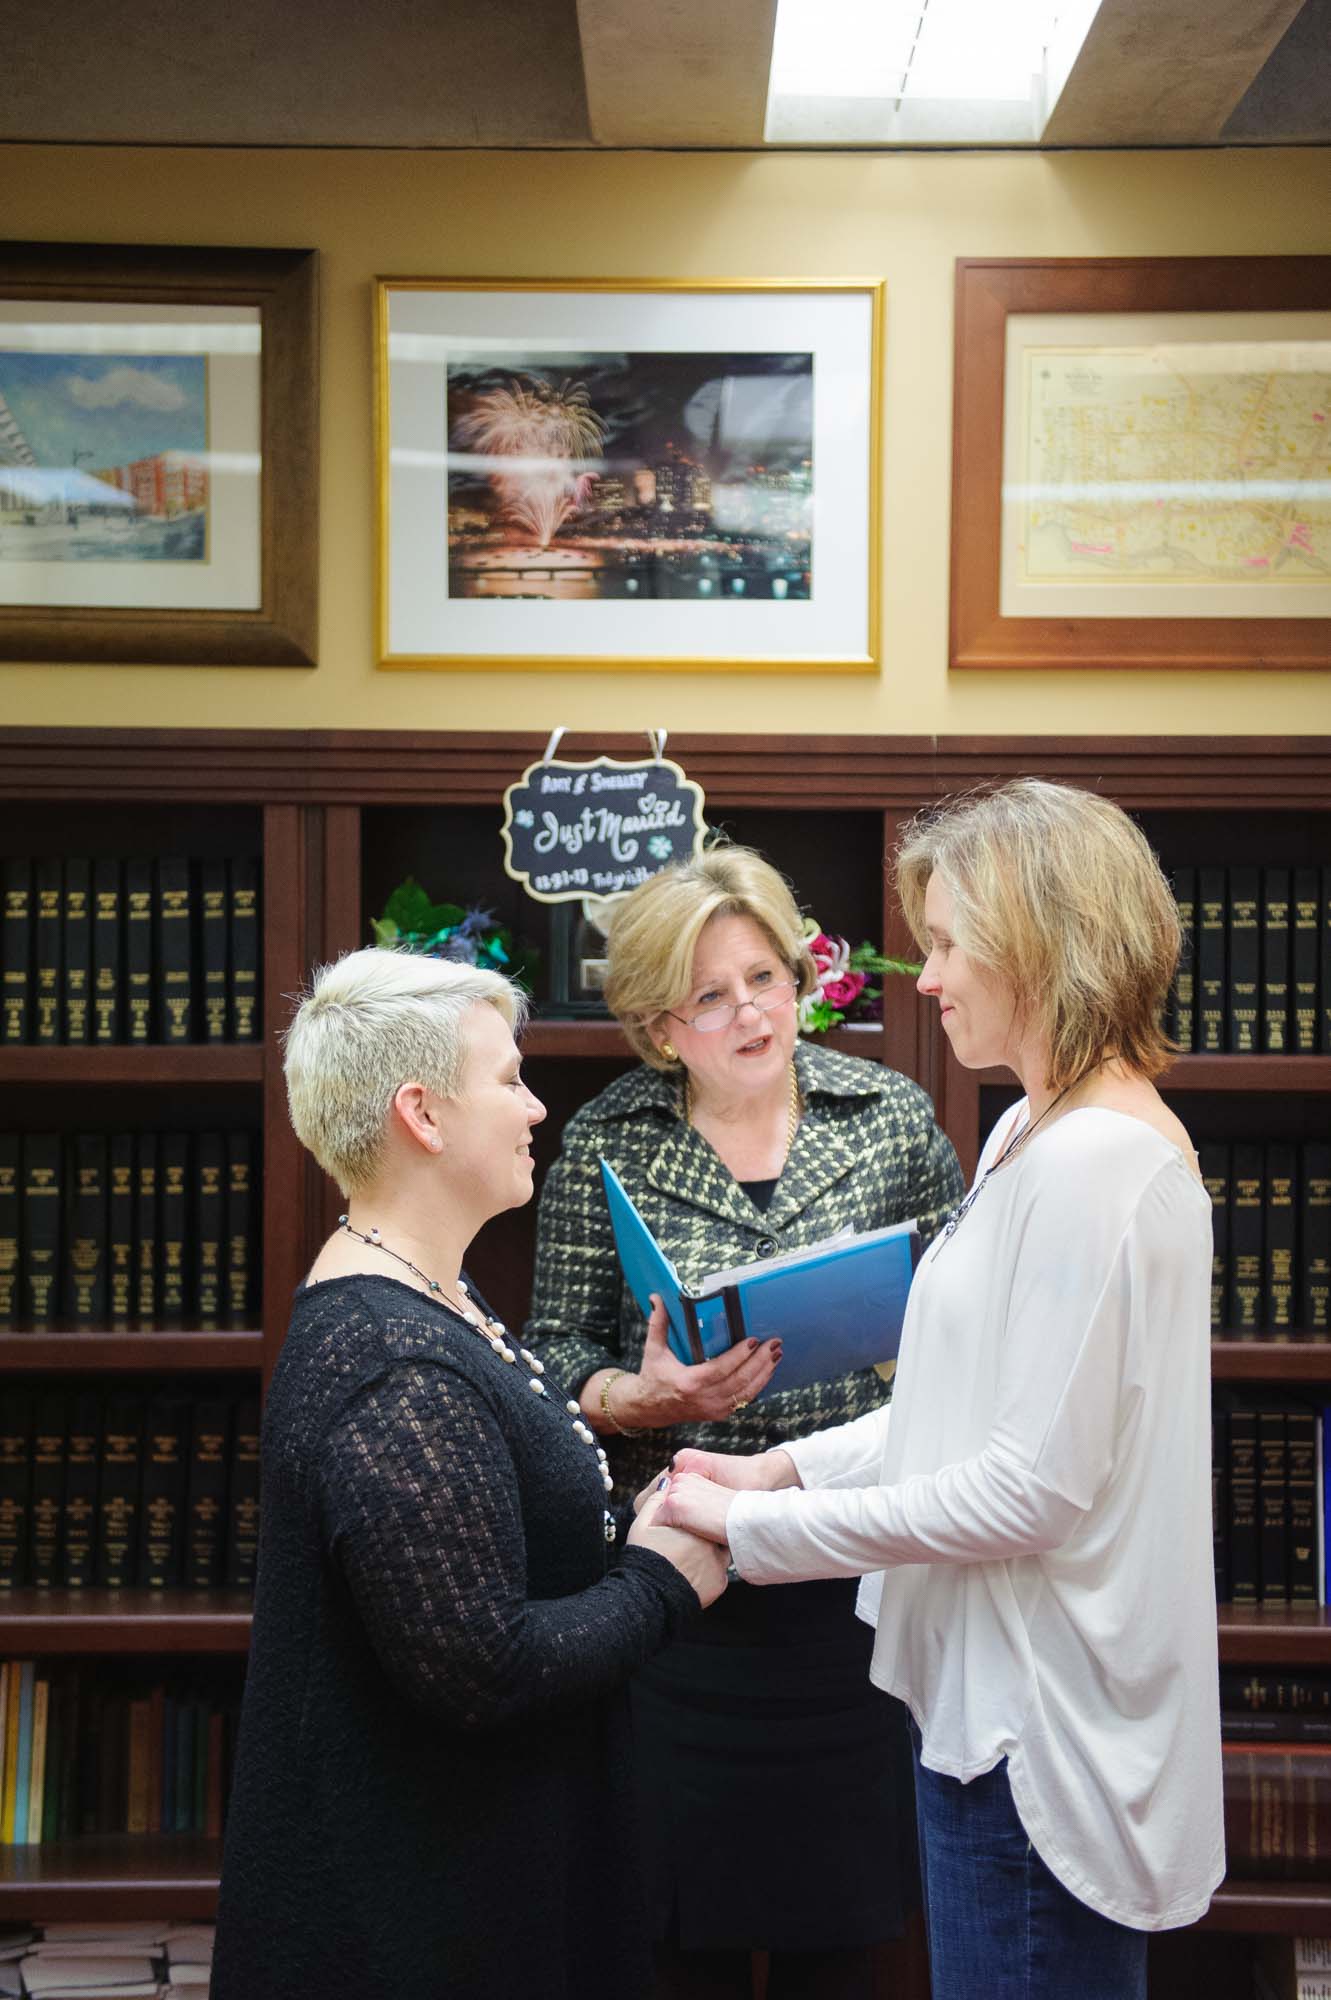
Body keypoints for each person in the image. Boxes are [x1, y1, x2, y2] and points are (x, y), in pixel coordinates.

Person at [658, 780, 1225, 2000]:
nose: (924, 976)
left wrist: (752, 1532)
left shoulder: (1100, 1163)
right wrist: (782, 1465)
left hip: (1036, 1742)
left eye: (952, 942)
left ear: (1043, 947)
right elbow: (965, 1401)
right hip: (982, 1714)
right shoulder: (1029, 1129)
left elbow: (1024, 1489)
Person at [211, 947, 728, 2000]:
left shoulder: (436, 1300)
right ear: (422, 1113)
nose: (535, 1107)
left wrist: (652, 1499)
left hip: (473, 1884)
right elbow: (480, 1663)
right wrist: (662, 1576)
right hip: (410, 1924)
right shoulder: (388, 1358)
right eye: (506, 1079)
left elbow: (505, 1536)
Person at [526, 845, 963, 1999]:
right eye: (710, 996)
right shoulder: (607, 1141)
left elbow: (967, 1320)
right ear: (660, 1025)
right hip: (684, 1588)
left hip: (849, 1572)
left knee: (842, 1930)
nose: (749, 1013)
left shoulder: (887, 1114)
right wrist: (646, 1395)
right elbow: (554, 1352)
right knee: (682, 1939)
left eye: (763, 977)